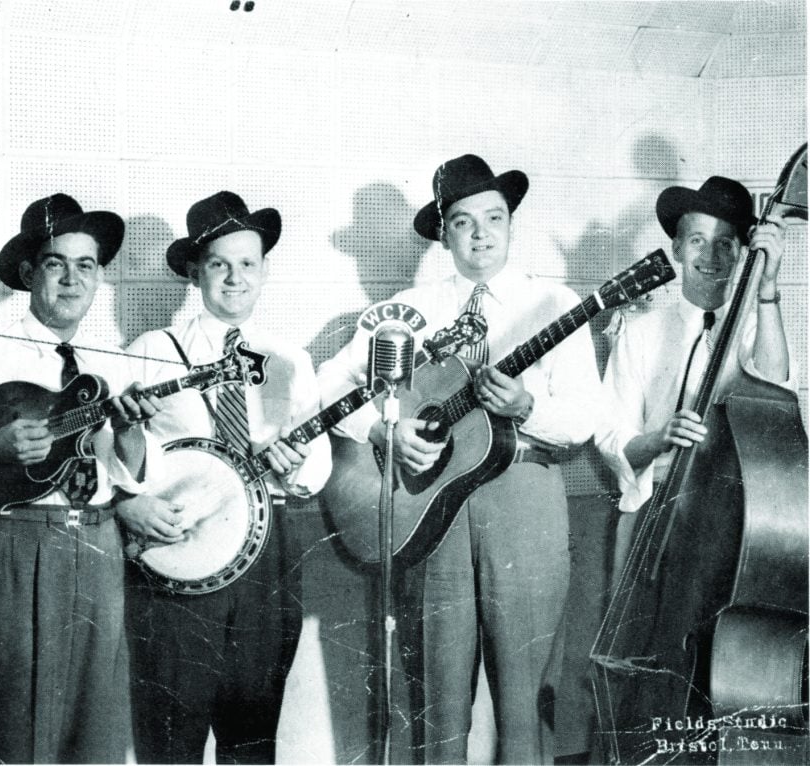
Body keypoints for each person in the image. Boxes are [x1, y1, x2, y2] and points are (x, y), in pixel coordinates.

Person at [317, 154, 603, 764]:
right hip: (432, 509)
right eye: (465, 221)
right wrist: (382, 431)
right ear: (443, 232)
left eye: (494, 218)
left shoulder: (554, 302)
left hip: (526, 493)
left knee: (526, 700)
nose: (481, 234)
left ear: (511, 225)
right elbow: (328, 382)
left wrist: (526, 406)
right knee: (439, 699)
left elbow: (585, 418)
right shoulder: (410, 308)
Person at [121, 190, 331, 764]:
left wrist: (296, 463)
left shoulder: (290, 357)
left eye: (248, 264)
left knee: (253, 738)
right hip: (181, 559)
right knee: (171, 737)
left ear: (263, 271)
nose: (235, 278)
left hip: (270, 555)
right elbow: (116, 456)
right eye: (219, 264)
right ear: (195, 272)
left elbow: (316, 471)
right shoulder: (150, 352)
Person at [0, 193, 164, 763]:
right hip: (22, 542)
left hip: (100, 542)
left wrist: (128, 433)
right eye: (56, 264)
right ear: (28, 273)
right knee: (16, 723)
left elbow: (132, 473)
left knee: (95, 730)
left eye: (86, 266)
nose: (72, 280)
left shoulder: (114, 361)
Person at [595, 176, 792, 584]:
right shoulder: (640, 333)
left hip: (736, 517)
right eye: (698, 240)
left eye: (725, 242)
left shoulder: (758, 329)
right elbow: (613, 443)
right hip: (653, 514)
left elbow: (776, 393)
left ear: (742, 253)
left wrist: (767, 288)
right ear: (677, 249)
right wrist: (661, 436)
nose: (712, 254)